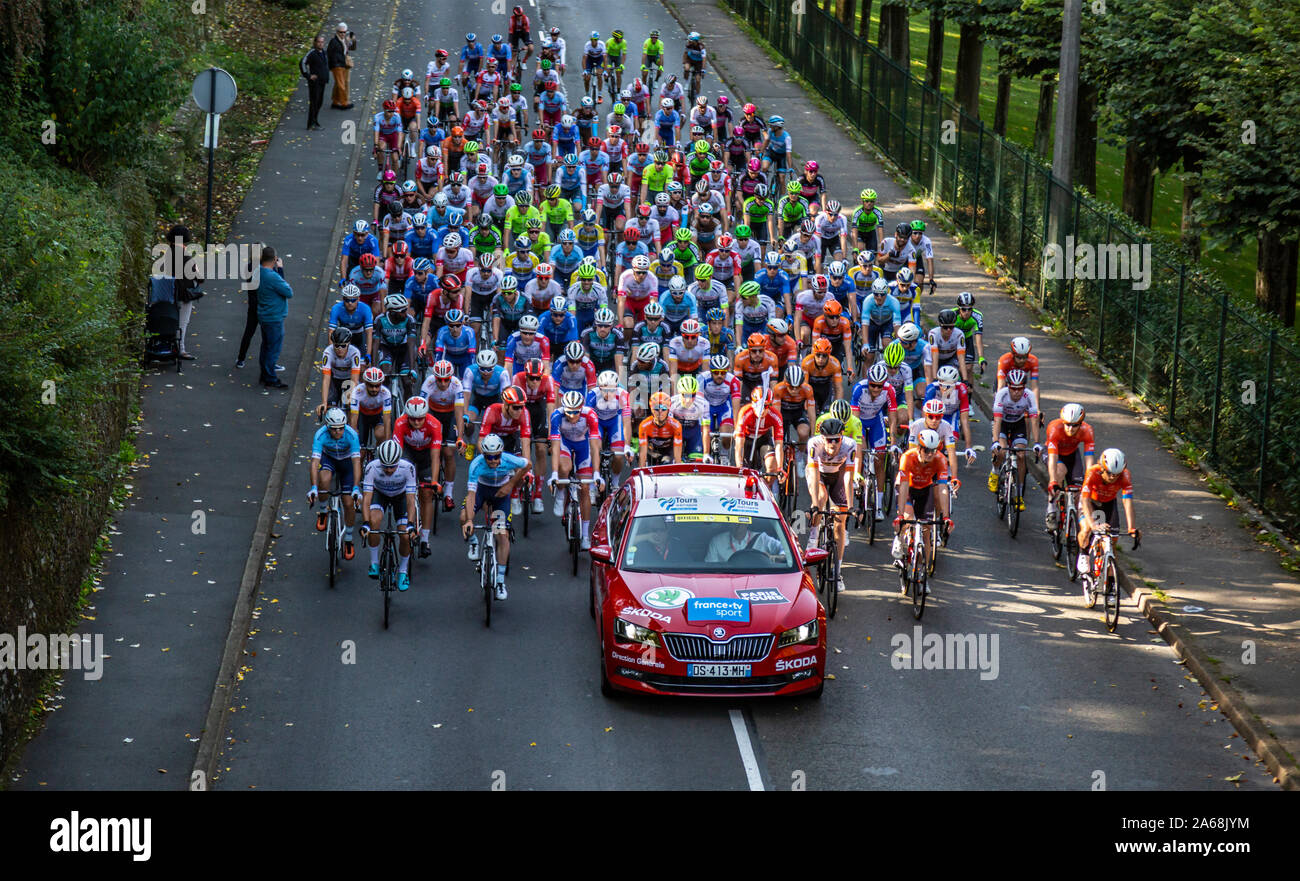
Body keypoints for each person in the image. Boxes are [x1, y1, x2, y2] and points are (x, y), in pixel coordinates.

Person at [462, 433, 531, 600]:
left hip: (501, 494)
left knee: (502, 535)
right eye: (489, 457)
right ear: (483, 455)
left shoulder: (508, 459)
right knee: (463, 516)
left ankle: (500, 581)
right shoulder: (476, 465)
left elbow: (528, 464)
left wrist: (511, 484)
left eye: (496, 456)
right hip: (482, 491)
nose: (493, 460)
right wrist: (470, 520)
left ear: (501, 453)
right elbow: (471, 494)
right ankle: (473, 543)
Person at [1077, 448, 1138, 596]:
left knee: (1112, 542)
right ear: (1102, 468)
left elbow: (1127, 502)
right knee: (1086, 529)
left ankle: (1110, 586)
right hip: (1090, 502)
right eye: (1109, 473)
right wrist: (1093, 524)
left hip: (1109, 504)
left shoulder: (1125, 476)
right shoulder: (1093, 471)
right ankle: (1083, 555)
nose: (1112, 477)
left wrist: (1131, 528)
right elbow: (1084, 500)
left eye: (1116, 474)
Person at [158, 224, 202, 361]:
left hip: (169, 292)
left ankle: (169, 346)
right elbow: (199, 277)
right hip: (183, 294)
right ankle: (180, 349)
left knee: (171, 320)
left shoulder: (168, 253)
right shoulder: (185, 256)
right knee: (183, 322)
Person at [255, 246, 292, 388]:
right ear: (274, 259)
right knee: (273, 349)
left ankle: (264, 374)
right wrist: (280, 269)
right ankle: (270, 378)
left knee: (265, 346)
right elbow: (288, 292)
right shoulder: (272, 276)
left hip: (264, 315)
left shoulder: (258, 273)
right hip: (274, 317)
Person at [704, 518, 784, 563]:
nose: (737, 524)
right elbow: (709, 566)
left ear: (747, 523)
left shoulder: (762, 539)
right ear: (730, 524)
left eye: (741, 520)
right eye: (734, 521)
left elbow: (785, 549)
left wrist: (775, 557)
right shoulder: (717, 541)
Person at [301, 35, 330, 129]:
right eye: (319, 42)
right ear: (315, 43)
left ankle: (315, 121)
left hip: (322, 81)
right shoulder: (312, 53)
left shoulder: (324, 53)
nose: (321, 44)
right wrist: (308, 75)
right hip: (315, 82)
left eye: (322, 42)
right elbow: (302, 63)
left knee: (319, 102)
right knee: (314, 103)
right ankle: (311, 124)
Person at [327, 22, 356, 110]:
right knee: (341, 84)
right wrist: (334, 64)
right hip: (337, 65)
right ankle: (344, 103)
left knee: (339, 83)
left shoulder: (344, 40)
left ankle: (335, 101)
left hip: (343, 64)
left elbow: (352, 48)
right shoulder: (334, 41)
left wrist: (353, 40)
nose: (342, 34)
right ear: (337, 32)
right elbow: (329, 54)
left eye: (344, 32)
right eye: (340, 32)